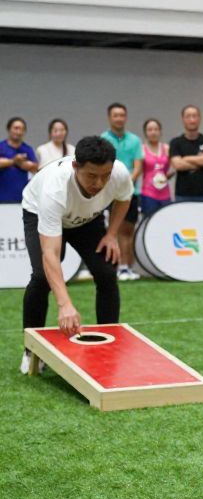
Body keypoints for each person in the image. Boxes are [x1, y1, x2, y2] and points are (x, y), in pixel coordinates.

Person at [20, 137, 133, 374]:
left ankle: (109, 342)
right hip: (40, 212)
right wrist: (65, 305)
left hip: (87, 219)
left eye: (105, 175)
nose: (99, 182)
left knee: (106, 271)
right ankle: (31, 351)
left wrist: (111, 234)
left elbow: (124, 198)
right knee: (42, 277)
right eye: (92, 176)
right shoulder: (54, 188)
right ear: (75, 166)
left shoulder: (119, 173)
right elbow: (50, 253)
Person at [101, 103, 144, 281]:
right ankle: (117, 268)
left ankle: (127, 267)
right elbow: (102, 166)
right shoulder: (103, 139)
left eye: (122, 115)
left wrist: (126, 183)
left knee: (128, 231)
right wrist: (117, 185)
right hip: (110, 193)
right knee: (114, 230)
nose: (119, 118)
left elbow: (138, 167)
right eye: (115, 115)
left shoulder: (134, 140)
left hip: (131, 193)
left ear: (125, 117)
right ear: (110, 118)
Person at [169, 105, 203, 202]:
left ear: (199, 118)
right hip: (183, 194)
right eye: (188, 116)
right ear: (183, 119)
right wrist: (202, 161)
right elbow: (178, 165)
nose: (192, 120)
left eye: (195, 116)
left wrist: (186, 159)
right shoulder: (175, 142)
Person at [140, 119, 174, 218]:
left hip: (165, 193)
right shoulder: (141, 149)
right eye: (150, 130)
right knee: (149, 221)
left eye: (156, 129)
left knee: (166, 221)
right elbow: (138, 171)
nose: (153, 132)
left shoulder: (167, 148)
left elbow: (174, 167)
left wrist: (168, 175)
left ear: (160, 131)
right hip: (148, 193)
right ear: (145, 133)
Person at [0, 117, 38, 203]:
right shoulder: (1, 146)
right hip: (1, 198)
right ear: (9, 129)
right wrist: (13, 161)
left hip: (22, 199)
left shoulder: (27, 149)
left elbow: (35, 168)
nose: (18, 132)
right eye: (16, 128)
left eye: (22, 129)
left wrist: (26, 165)